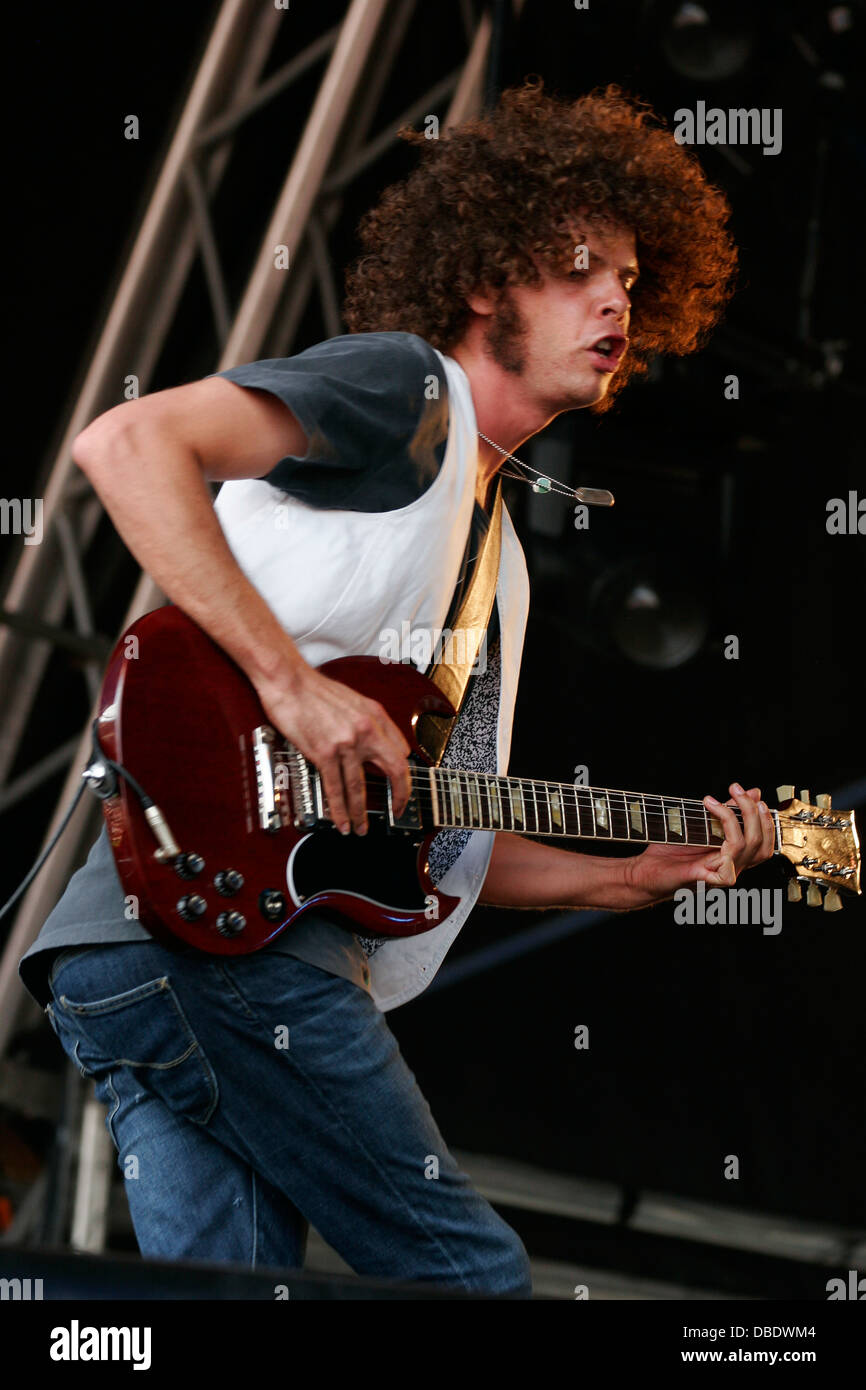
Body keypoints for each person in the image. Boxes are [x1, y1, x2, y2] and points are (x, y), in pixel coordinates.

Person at [19, 80, 773, 1297]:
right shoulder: (404, 389)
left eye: (631, 281)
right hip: (226, 946)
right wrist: (293, 687)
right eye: (581, 267)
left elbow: (435, 836)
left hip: (139, 959)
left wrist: (625, 875)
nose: (614, 299)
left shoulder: (503, 567)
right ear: (485, 280)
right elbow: (127, 443)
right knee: (469, 1281)